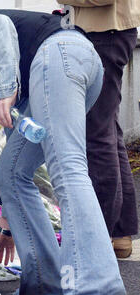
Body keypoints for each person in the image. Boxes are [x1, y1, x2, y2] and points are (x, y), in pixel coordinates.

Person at [0, 9, 127, 295]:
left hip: (59, 56)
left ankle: (98, 289)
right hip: (76, 62)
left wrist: (7, 89)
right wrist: (6, 226)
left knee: (68, 169)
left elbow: (0, 26)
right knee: (10, 172)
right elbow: (15, 137)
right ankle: (45, 287)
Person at [56, 1, 140, 259]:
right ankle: (119, 233)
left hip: (106, 35)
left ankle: (98, 236)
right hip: (109, 33)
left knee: (98, 137)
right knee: (108, 134)